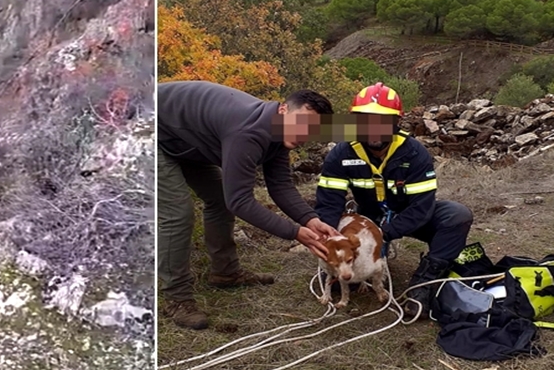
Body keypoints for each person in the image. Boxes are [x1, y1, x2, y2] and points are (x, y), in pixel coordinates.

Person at [158, 80, 340, 330]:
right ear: (284, 110)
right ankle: (177, 299)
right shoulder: (249, 132)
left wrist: (310, 219)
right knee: (178, 213)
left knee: (219, 199)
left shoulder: (280, 131)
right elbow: (240, 201)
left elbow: (280, 186)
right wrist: (295, 233)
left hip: (182, 140)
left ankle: (225, 273)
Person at [314, 82, 474, 318]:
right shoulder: (342, 153)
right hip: (365, 218)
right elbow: (329, 203)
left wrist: (384, 233)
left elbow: (422, 207)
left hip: (409, 216)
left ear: (396, 123)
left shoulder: (414, 153)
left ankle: (424, 283)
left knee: (457, 216)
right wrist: (333, 241)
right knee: (348, 277)